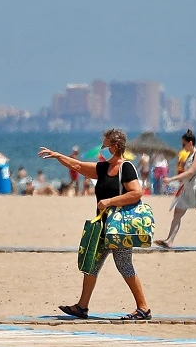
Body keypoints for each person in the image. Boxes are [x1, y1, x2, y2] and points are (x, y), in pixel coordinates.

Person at [39, 128, 152, 320]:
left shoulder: (126, 168)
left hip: (119, 228)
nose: (104, 148)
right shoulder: (103, 168)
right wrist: (58, 156)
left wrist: (109, 202)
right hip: (102, 226)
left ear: (115, 146)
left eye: (106, 145)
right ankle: (82, 307)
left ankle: (143, 308)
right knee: (91, 263)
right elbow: (78, 166)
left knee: (124, 265)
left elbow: (137, 192)